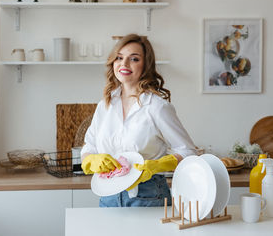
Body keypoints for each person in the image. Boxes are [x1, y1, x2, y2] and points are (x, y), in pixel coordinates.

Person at [80, 34, 197, 207]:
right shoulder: (104, 105)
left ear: (146, 65)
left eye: (134, 59)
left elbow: (189, 152)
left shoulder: (157, 107)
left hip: (148, 196)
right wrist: (91, 160)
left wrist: (158, 165)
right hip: (108, 196)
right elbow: (89, 147)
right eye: (119, 58)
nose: (124, 64)